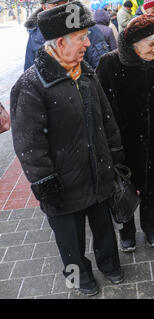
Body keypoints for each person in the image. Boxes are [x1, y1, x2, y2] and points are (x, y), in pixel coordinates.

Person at [10, 1, 125, 297]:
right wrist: (45, 184)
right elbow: (29, 145)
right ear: (60, 43)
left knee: (104, 228)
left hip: (98, 173)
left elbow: (106, 118)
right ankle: (79, 277)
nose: (89, 42)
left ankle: (110, 265)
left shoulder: (86, 74)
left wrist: (116, 157)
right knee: (69, 241)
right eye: (82, 38)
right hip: (63, 183)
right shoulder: (31, 85)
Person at [96, 14, 154, 252]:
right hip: (123, 141)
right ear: (133, 43)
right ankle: (127, 232)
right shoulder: (109, 64)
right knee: (123, 189)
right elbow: (100, 109)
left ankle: (151, 227)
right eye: (151, 44)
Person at [24, 0, 110, 71]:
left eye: (65, 2)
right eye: (56, 4)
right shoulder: (35, 36)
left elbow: (102, 68)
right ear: (44, 7)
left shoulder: (88, 28)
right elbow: (29, 74)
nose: (63, 9)